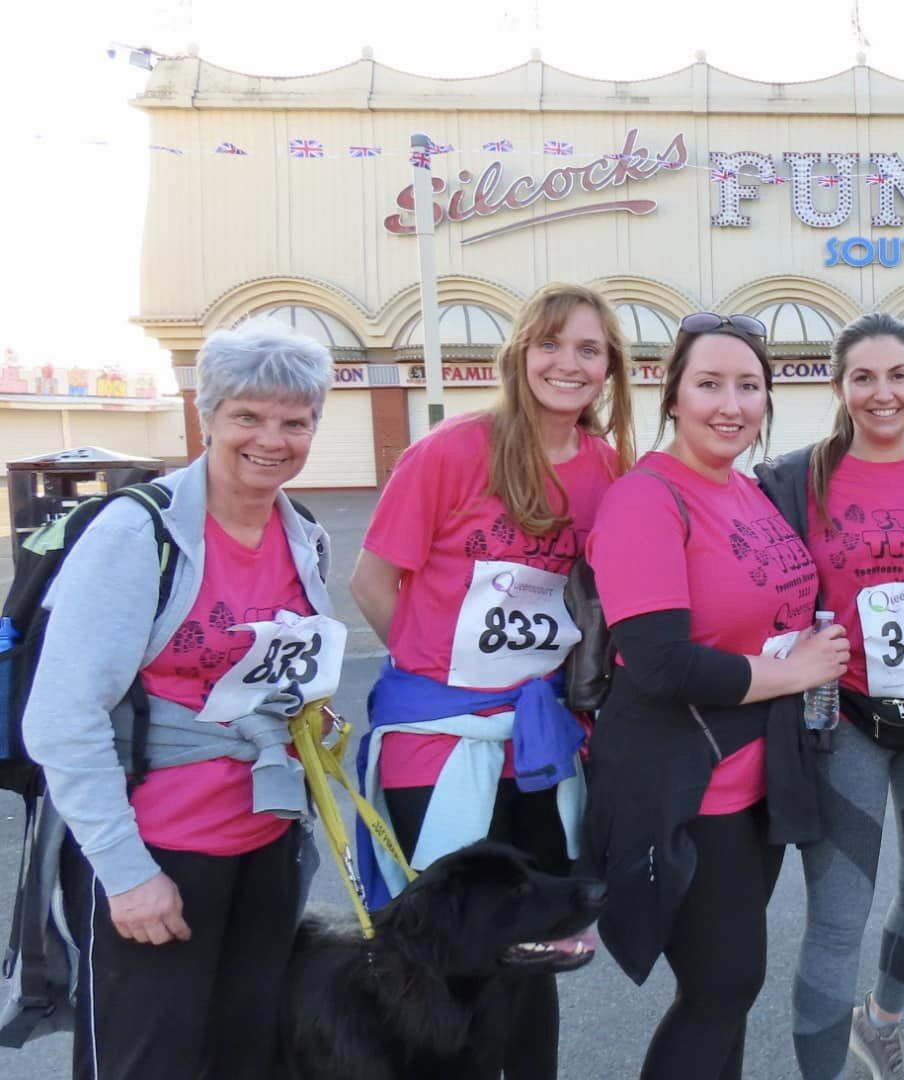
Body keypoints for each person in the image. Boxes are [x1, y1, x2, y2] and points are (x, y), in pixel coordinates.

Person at [24, 323, 337, 1078]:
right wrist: (126, 875)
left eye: (295, 422)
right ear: (208, 417)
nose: (272, 439)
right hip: (158, 850)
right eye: (248, 417)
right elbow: (61, 719)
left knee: (245, 1059)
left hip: (264, 847)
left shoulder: (304, 536)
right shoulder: (140, 536)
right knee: (145, 1065)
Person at [349, 282, 635, 1079]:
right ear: (520, 353)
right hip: (437, 742)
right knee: (435, 952)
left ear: (609, 368)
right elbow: (373, 582)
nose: (568, 364)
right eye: (551, 344)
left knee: (534, 948)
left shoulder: (609, 470)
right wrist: (442, 684)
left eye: (588, 349)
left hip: (540, 742)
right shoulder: (449, 451)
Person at [583, 311, 843, 1080]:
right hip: (686, 786)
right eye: (709, 384)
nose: (730, 404)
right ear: (673, 397)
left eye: (749, 386)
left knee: (724, 990)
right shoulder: (646, 499)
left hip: (757, 777)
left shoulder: (747, 491)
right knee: (722, 987)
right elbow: (659, 663)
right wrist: (795, 674)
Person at [756, 314, 904, 1080]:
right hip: (843, 718)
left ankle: (880, 1021)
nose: (882, 394)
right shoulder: (794, 478)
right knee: (838, 920)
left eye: (897, 376)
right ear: (838, 385)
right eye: (863, 378)